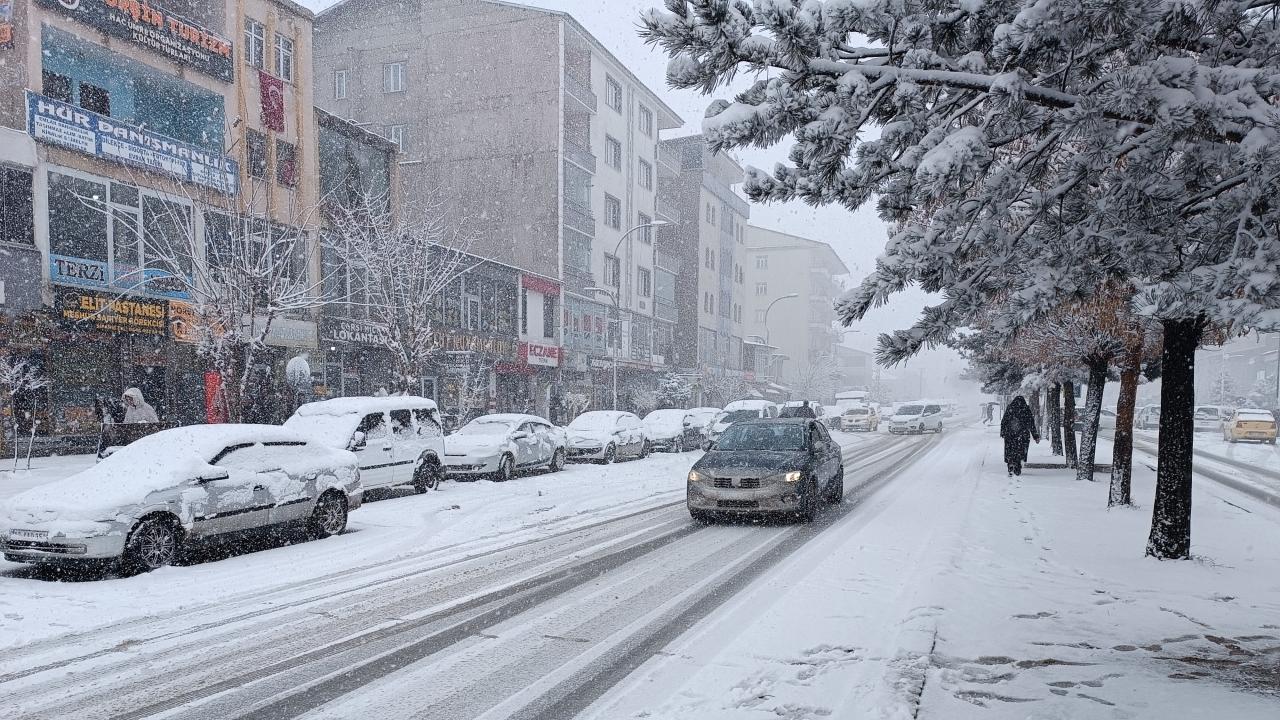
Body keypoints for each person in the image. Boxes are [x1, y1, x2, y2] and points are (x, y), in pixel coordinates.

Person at [1000, 396, 1040, 476]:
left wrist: (1003, 432)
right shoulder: (1026, 409)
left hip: (1010, 434)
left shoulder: (1010, 408)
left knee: (1010, 450)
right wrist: (1035, 436)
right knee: (1020, 451)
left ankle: (1010, 463)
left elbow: (1004, 421)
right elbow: (1031, 423)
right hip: (1022, 435)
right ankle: (1017, 466)